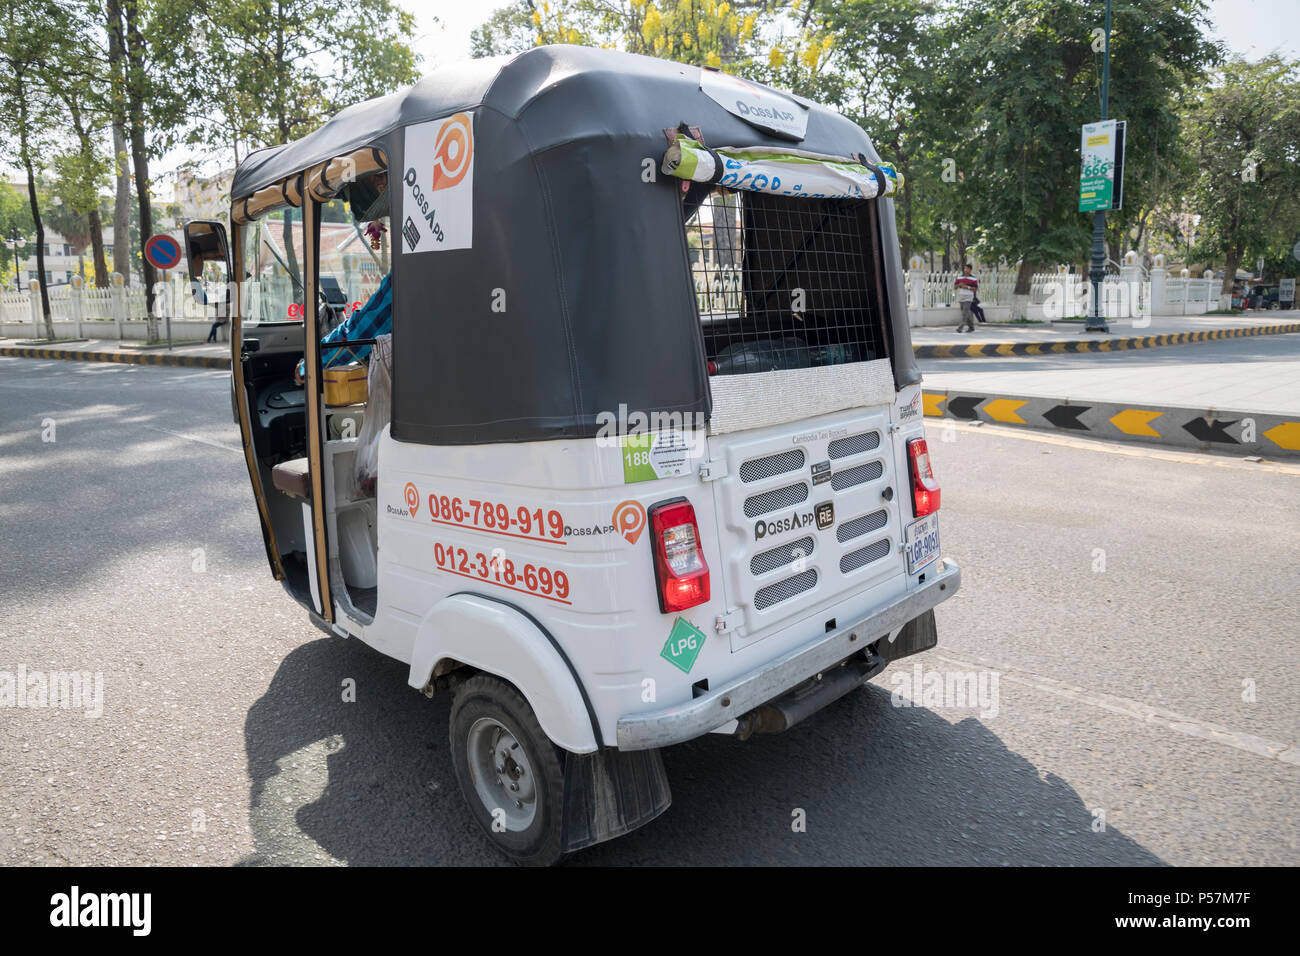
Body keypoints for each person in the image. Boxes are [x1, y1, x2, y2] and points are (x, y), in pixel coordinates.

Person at [955, 264, 979, 332]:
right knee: (965, 313)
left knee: (965, 312)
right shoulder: (960, 277)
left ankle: (960, 327)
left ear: (970, 270)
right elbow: (955, 287)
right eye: (965, 268)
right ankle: (971, 327)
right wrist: (959, 285)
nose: (965, 270)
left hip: (969, 297)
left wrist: (967, 287)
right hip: (961, 296)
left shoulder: (973, 278)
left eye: (967, 269)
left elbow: (975, 289)